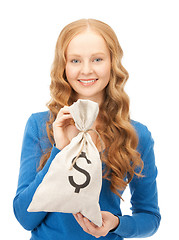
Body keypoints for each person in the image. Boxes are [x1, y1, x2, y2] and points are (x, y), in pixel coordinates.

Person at [13, 19, 161, 239]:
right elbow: (25, 218)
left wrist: (116, 224)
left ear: (113, 63)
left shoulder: (136, 136)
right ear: (63, 66)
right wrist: (59, 151)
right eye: (75, 60)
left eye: (97, 59)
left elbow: (150, 217)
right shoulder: (40, 126)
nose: (86, 70)